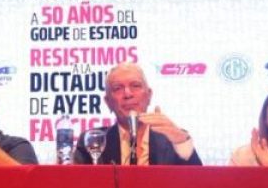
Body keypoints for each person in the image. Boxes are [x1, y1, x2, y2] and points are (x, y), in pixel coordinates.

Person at [73, 62, 202, 165]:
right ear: (108, 102)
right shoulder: (93, 141)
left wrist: (181, 142)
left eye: (135, 85)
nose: (128, 94)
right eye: (118, 88)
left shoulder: (172, 139)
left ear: (149, 96)